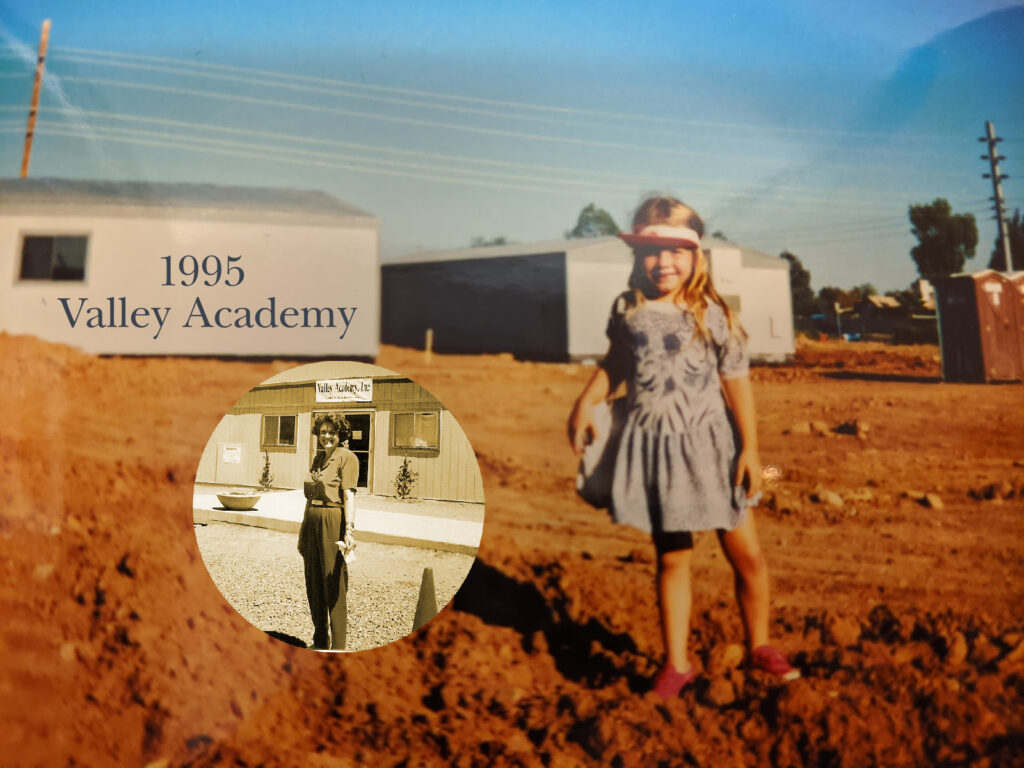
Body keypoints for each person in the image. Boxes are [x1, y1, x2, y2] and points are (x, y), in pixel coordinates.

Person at [568, 195, 799, 698]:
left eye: (676, 250)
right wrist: (586, 402)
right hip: (658, 454)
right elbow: (616, 364)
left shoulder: (711, 313)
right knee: (673, 560)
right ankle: (676, 664)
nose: (663, 261)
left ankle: (759, 645)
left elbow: (737, 383)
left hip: (715, 450)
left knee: (748, 557)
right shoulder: (627, 310)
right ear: (636, 257)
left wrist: (751, 451)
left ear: (696, 256)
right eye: (651, 250)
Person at [298, 413, 359, 650]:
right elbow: (310, 498)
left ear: (340, 434)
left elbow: (349, 495)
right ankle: (320, 640)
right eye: (322, 432)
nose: (326, 436)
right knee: (313, 583)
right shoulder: (317, 459)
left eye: (332, 432)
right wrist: (303, 531)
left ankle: (339, 647)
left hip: (333, 520)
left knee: (333, 584)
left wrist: (349, 530)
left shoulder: (348, 458)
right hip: (312, 520)